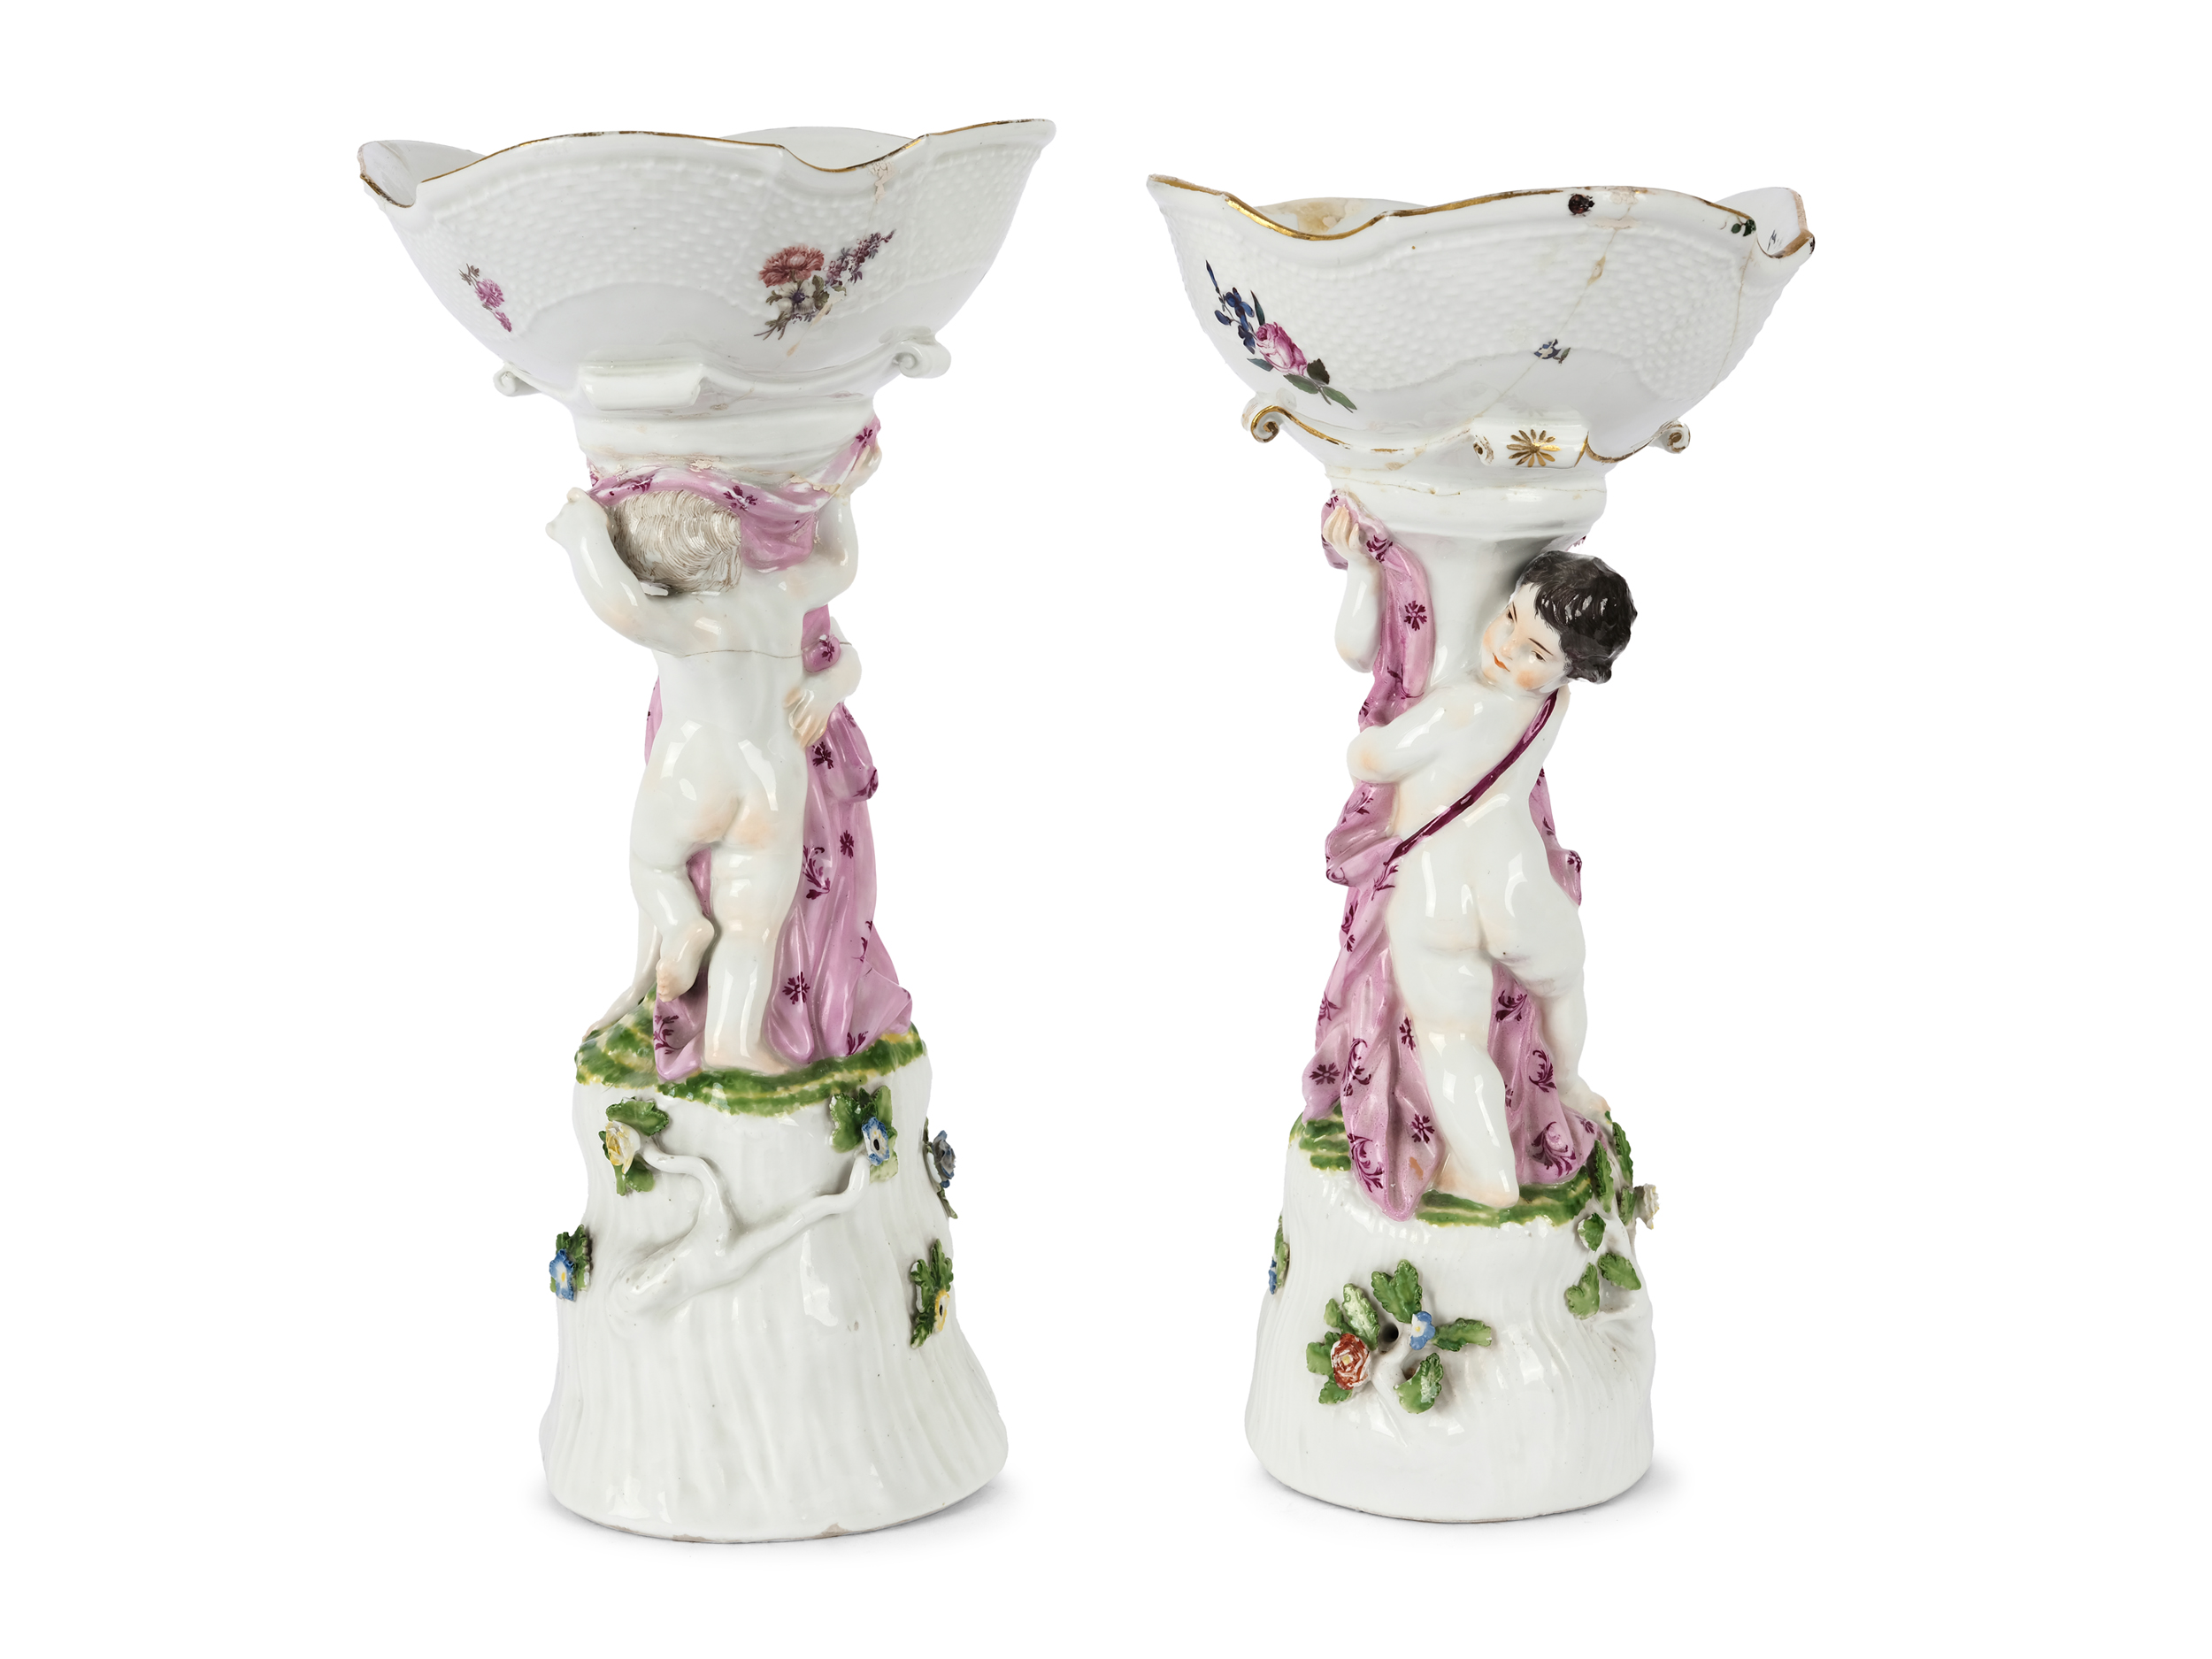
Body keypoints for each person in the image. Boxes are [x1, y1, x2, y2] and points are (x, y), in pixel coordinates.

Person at [1304, 495, 1633, 1214]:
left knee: (1450, 1036)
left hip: (1440, 891)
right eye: (1510, 616)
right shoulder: (1552, 704)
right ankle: (1567, 1078)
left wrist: (1395, 714)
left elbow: (1370, 759)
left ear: (1568, 668)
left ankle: (1488, 1175)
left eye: (1534, 651)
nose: (1507, 645)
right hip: (1517, 884)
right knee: (1562, 977)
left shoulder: (1459, 706)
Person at [546, 431, 906, 1076]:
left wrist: (582, 536)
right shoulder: (781, 592)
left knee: (653, 862)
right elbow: (840, 562)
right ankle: (734, 1041)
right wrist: (840, 495)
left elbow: (618, 604)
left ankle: (681, 922)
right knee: (753, 926)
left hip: (694, 773)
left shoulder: (678, 619)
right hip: (770, 780)